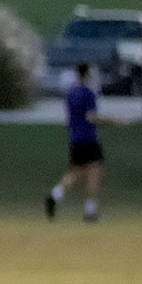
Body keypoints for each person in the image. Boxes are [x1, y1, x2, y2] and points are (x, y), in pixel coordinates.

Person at [47, 61, 102, 222]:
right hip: (89, 138)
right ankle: (90, 211)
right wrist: (110, 122)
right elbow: (91, 116)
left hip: (75, 138)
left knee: (75, 172)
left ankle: (55, 195)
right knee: (93, 172)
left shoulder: (71, 93)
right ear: (88, 74)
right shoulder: (88, 93)